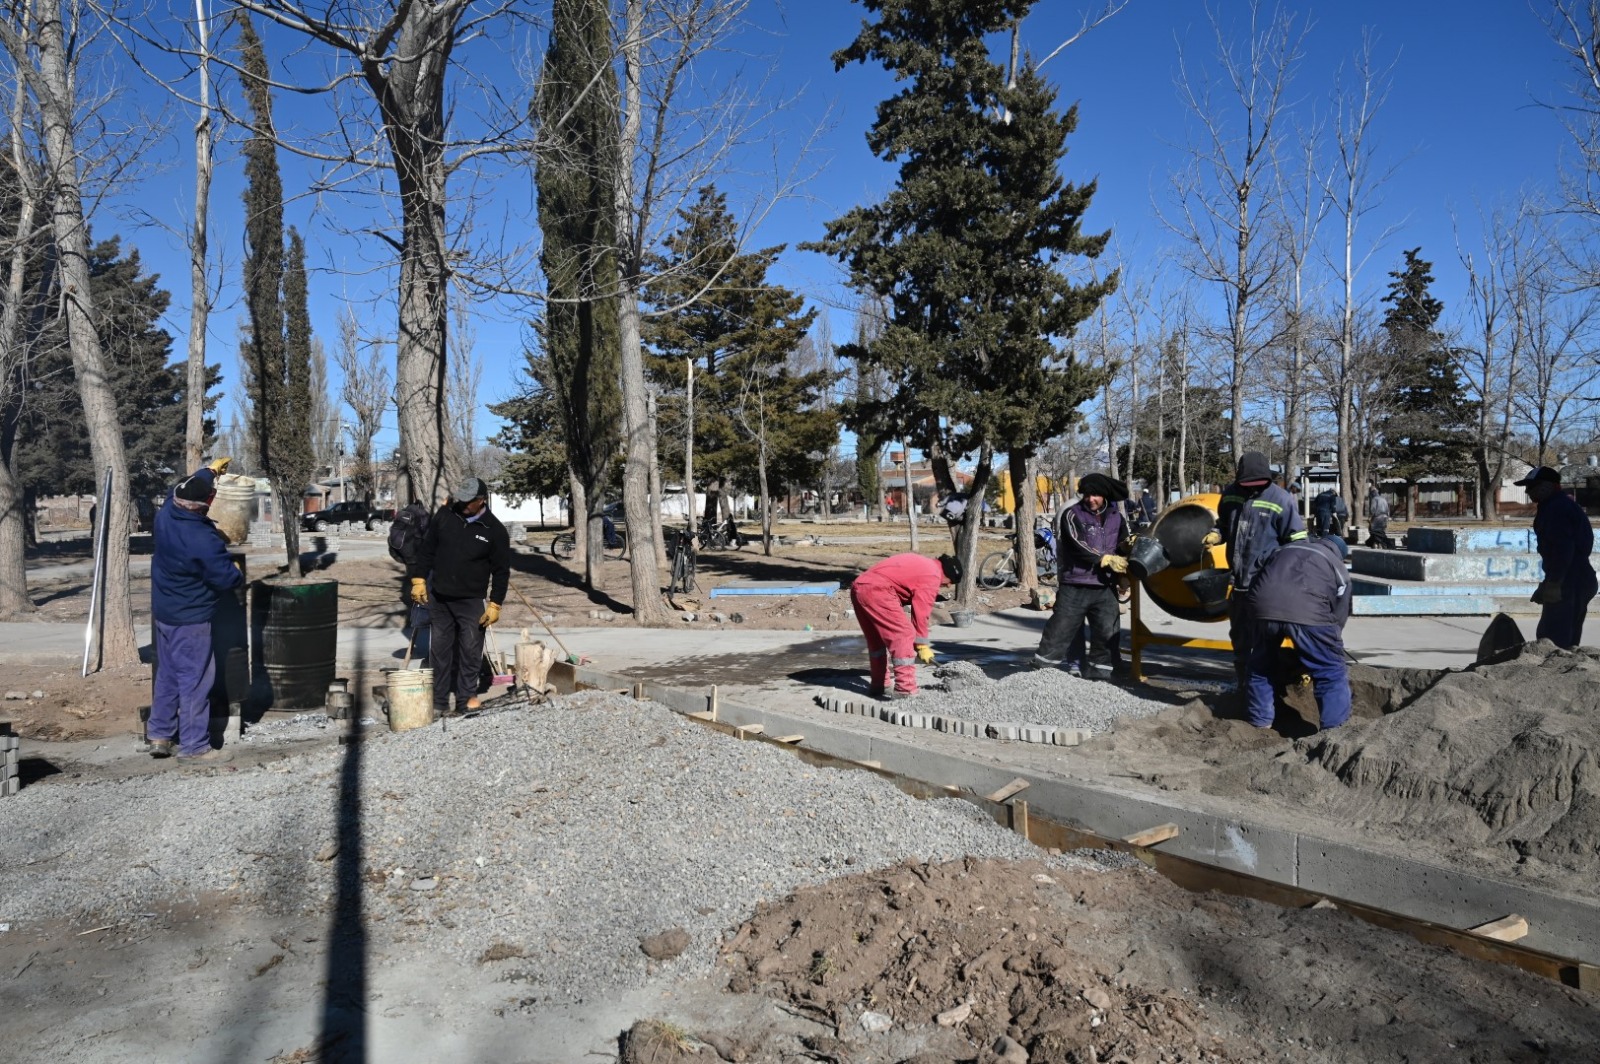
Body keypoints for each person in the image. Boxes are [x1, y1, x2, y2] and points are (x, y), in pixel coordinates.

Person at [149, 459, 244, 764]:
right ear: (206, 504)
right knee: (195, 680)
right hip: (190, 618)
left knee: (168, 674)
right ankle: (194, 746)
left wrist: (210, 471)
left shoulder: (166, 512)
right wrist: (236, 570)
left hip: (164, 612)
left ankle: (160, 734)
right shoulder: (201, 539)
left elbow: (185, 485)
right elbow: (225, 579)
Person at [1204, 451, 1307, 691]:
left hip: (1267, 586)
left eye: (1257, 484)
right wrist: (1216, 534)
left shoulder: (1281, 499)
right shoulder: (1230, 495)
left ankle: (1269, 690)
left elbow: (1297, 542)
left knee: (1267, 641)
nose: (1252, 489)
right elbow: (1224, 525)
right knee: (1240, 639)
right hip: (1238, 584)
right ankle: (1244, 686)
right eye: (1247, 484)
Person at [410, 477, 512, 715]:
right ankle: (439, 702)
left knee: (470, 651)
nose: (463, 505)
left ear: (481, 500)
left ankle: (466, 699)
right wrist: (418, 579)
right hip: (440, 598)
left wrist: (495, 603)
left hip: (470, 601)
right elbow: (427, 550)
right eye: (461, 500)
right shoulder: (445, 516)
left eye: (469, 501)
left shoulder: (494, 530)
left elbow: (501, 571)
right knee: (439, 651)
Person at [1244, 534, 1353, 731]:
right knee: (1331, 670)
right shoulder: (1335, 562)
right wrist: (1330, 641)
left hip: (1262, 608)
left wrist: (1255, 616)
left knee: (1261, 665)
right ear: (1340, 553)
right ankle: (1334, 729)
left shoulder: (1283, 549)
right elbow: (1341, 610)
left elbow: (1255, 577)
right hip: (1309, 613)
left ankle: (1260, 722)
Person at [1033, 473, 1130, 681]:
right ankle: (1041, 673)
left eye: (1095, 495)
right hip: (1075, 583)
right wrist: (1104, 559)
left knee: (1107, 632)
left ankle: (1099, 674)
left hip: (1105, 585)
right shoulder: (1072, 514)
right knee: (1059, 630)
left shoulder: (1116, 517)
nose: (1090, 499)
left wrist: (1125, 559)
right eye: (1087, 494)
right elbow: (1076, 544)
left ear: (1104, 495)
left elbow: (1122, 544)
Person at [850, 552, 961, 699]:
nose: (948, 585)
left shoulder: (923, 563)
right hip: (878, 590)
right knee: (904, 635)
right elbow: (921, 613)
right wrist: (922, 645)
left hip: (859, 587)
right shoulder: (933, 575)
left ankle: (880, 684)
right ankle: (905, 689)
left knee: (876, 640)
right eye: (950, 581)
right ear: (947, 574)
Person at [1516, 466, 1597, 649]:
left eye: (1532, 486)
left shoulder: (1556, 508)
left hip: (1571, 580)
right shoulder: (1557, 505)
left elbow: (1563, 549)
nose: (1528, 491)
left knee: (1552, 641)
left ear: (1547, 486)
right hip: (1577, 577)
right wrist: (1548, 583)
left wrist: (1554, 583)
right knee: (1565, 641)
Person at [1366, 484, 1393, 549]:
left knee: (1374, 531)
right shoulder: (1383, 499)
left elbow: (1373, 509)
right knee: (1381, 531)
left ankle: (1378, 543)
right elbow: (1388, 509)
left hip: (1377, 518)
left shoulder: (1374, 499)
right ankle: (1378, 543)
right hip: (1384, 517)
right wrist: (1387, 517)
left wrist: (1370, 517)